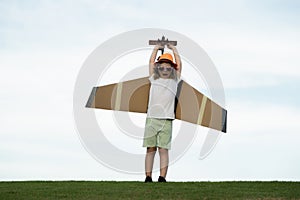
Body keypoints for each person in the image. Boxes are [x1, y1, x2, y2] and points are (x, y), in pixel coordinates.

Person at [143, 43, 182, 182]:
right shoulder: (154, 78)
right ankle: (148, 176)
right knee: (150, 149)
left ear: (172, 69)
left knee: (163, 149)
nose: (165, 69)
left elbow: (179, 64)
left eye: (168, 67)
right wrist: (156, 48)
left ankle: (162, 177)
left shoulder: (174, 80)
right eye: (162, 67)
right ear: (158, 68)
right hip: (152, 118)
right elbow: (150, 62)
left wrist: (174, 49)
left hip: (167, 118)